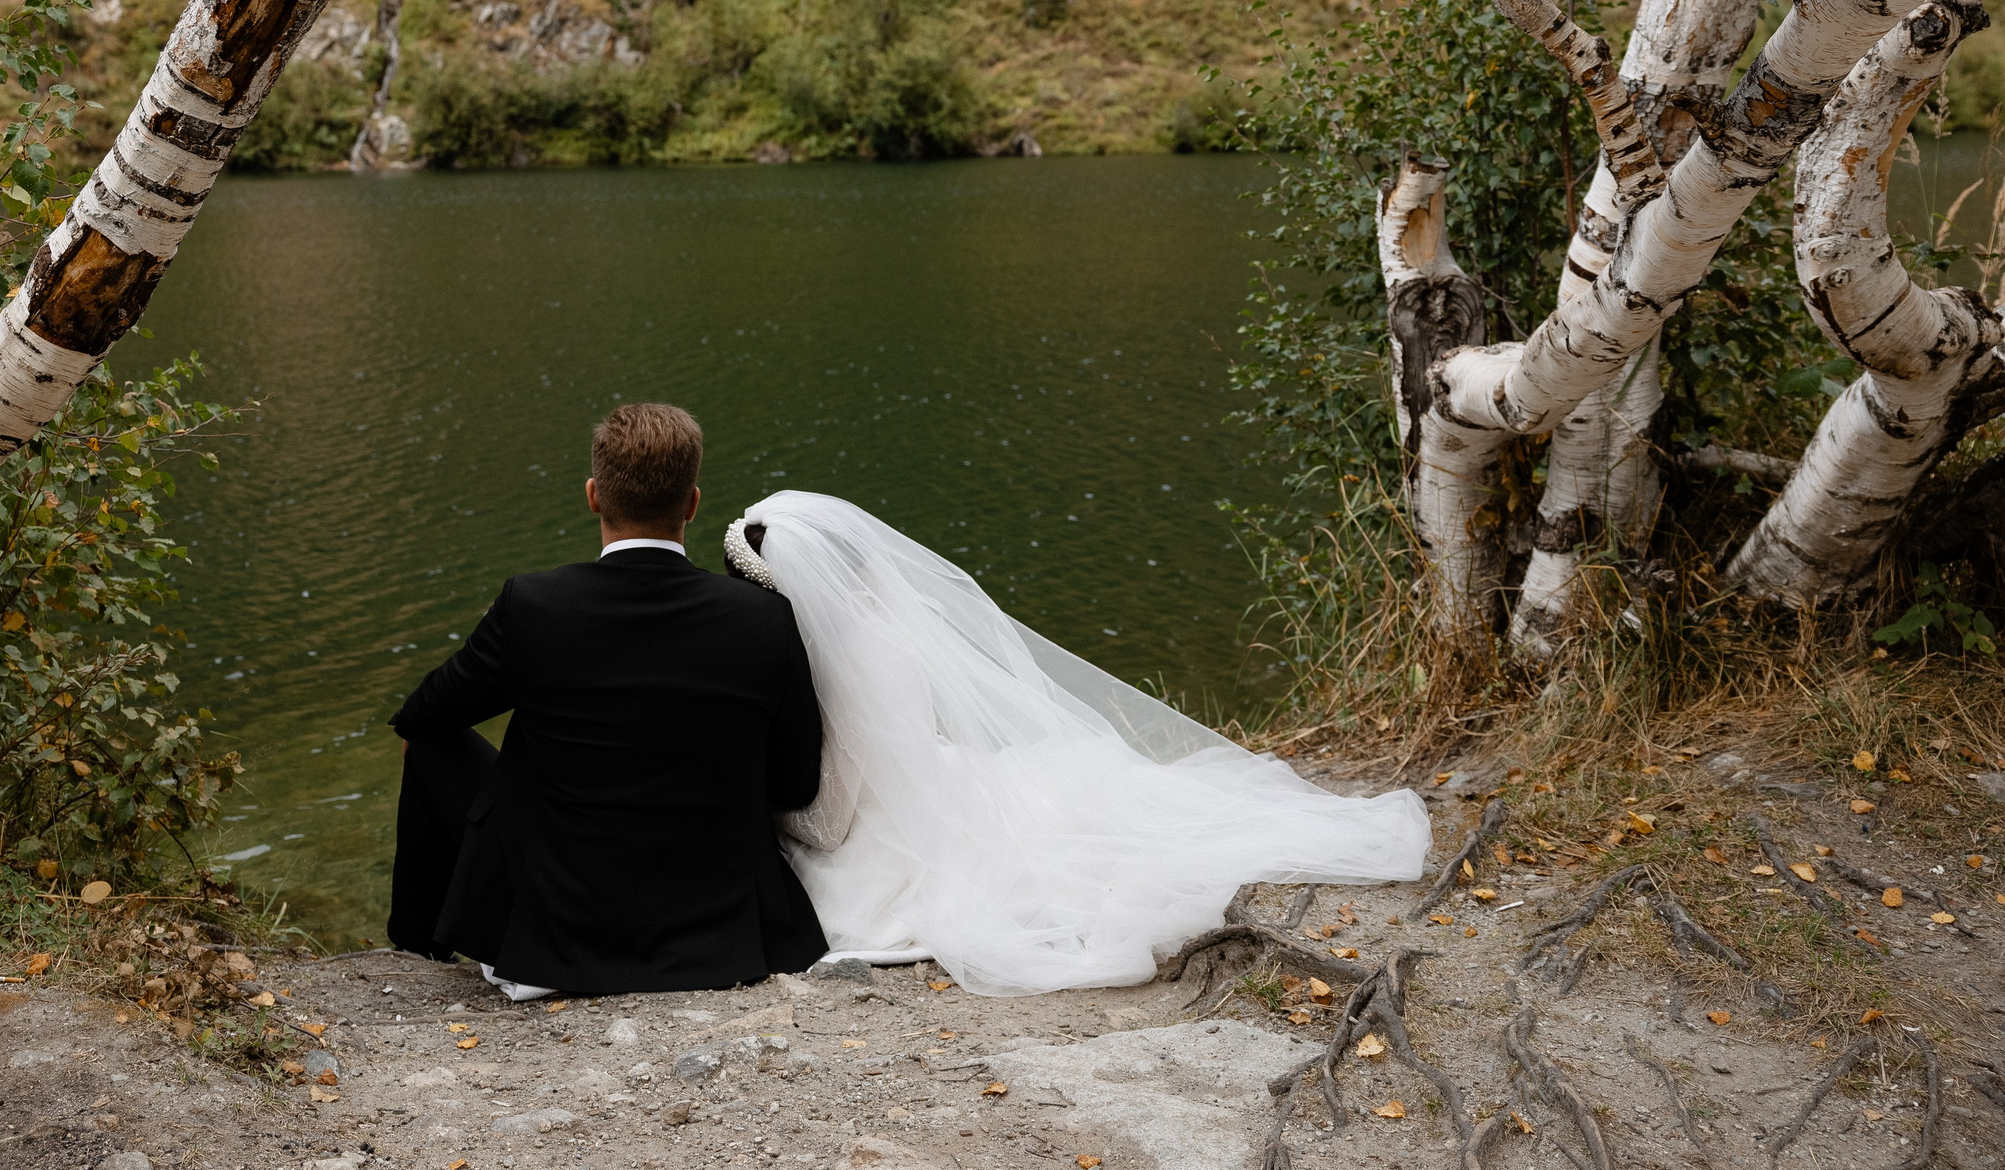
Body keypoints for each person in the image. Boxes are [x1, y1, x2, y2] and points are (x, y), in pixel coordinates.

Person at [725, 490, 1431, 998]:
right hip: (939, 784)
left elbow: (832, 820)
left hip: (885, 848)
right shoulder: (885, 631)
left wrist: (757, 808)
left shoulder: (840, 660)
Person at [387, 404, 827, 997]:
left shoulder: (534, 606)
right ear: (692, 503)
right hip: (722, 936)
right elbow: (797, 785)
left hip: (557, 936)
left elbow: (420, 717)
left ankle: (418, 949)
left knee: (431, 743)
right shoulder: (763, 618)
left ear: (594, 496)